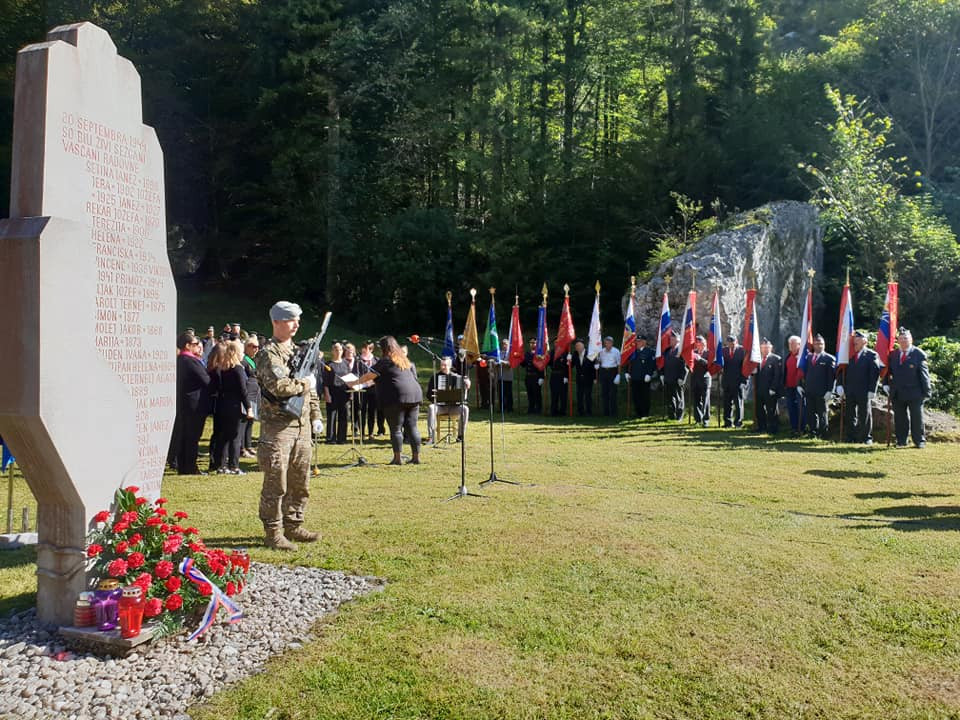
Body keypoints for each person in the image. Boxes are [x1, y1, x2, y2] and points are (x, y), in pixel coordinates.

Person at [255, 301, 323, 551]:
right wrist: (305, 383)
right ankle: (273, 532)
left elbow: (310, 390)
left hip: (302, 426)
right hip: (278, 429)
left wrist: (316, 414)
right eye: (290, 320)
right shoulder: (268, 353)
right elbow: (280, 387)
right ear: (276, 322)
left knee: (300, 480)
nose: (296, 324)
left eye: (297, 319)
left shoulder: (299, 351)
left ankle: (293, 524)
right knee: (277, 482)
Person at [356, 336, 423, 465]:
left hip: (397, 397)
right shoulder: (404, 360)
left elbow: (369, 376)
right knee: (412, 426)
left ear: (384, 348)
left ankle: (397, 459)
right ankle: (416, 457)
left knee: (396, 428)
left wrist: (354, 382)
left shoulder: (385, 361)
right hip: (414, 395)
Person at [209, 340, 252, 474]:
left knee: (223, 437)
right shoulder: (238, 369)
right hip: (234, 406)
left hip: (223, 405)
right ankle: (234, 466)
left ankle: (221, 465)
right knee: (235, 437)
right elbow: (242, 390)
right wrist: (249, 407)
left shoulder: (223, 369)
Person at [171, 332, 211, 475]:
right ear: (187, 346)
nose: (198, 347)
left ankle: (184, 466)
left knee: (186, 436)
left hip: (185, 403)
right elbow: (206, 380)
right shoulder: (190, 361)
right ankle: (190, 467)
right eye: (195, 344)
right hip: (194, 404)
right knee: (192, 437)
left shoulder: (180, 360)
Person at [885, 328, 930, 448]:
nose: (903, 341)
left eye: (906, 338)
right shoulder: (893, 355)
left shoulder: (919, 354)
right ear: (898, 341)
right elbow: (888, 371)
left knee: (917, 418)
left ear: (911, 339)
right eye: (901, 338)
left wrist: (927, 391)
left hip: (915, 392)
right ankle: (901, 440)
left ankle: (919, 441)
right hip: (897, 392)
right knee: (900, 419)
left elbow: (924, 375)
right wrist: (885, 384)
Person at [840, 330, 880, 444]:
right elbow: (842, 371)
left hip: (864, 390)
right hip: (850, 389)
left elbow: (874, 374)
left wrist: (872, 389)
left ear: (864, 341)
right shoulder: (850, 356)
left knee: (864, 414)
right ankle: (850, 437)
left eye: (858, 339)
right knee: (850, 415)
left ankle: (866, 437)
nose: (855, 342)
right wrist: (840, 385)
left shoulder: (872, 355)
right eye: (854, 340)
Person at [426, 357, 470, 443]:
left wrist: (467, 384)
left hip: (454, 406)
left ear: (450, 366)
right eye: (441, 365)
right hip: (440, 407)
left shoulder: (457, 377)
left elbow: (463, 394)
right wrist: (435, 396)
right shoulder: (435, 378)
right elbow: (428, 395)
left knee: (465, 409)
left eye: (445, 365)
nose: (442, 367)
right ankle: (431, 437)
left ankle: (460, 436)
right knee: (431, 408)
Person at [803, 334, 836, 439]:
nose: (819, 346)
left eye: (821, 343)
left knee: (822, 413)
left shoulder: (829, 358)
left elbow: (832, 377)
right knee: (811, 413)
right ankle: (813, 432)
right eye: (816, 343)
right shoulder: (808, 357)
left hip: (822, 392)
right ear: (813, 345)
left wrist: (830, 391)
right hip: (809, 390)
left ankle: (824, 434)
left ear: (824, 345)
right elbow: (804, 373)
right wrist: (802, 386)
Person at [754, 337, 783, 434]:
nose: (765, 349)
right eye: (763, 347)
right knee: (760, 409)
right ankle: (762, 427)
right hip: (760, 389)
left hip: (770, 389)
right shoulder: (757, 359)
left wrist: (773, 388)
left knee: (771, 410)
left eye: (767, 347)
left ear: (771, 348)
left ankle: (773, 428)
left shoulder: (776, 359)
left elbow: (777, 375)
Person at [358, 341, 385, 437]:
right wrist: (363, 381)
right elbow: (355, 373)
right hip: (362, 389)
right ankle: (361, 432)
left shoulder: (376, 360)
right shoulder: (358, 360)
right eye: (364, 348)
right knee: (362, 411)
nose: (365, 350)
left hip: (373, 390)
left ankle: (370, 432)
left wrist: (372, 382)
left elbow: (380, 375)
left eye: (368, 348)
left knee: (372, 411)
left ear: (371, 349)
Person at [323, 342, 349, 444]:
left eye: (340, 349)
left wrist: (351, 392)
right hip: (332, 392)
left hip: (344, 392)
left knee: (344, 415)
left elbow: (349, 377)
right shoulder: (328, 364)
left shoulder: (345, 363)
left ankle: (342, 438)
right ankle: (331, 438)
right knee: (332, 415)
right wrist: (327, 394)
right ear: (332, 351)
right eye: (336, 349)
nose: (338, 351)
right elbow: (325, 381)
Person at [660, 331, 688, 421]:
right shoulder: (667, 351)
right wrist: (662, 374)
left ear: (678, 340)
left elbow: (685, 366)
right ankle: (671, 415)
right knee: (670, 398)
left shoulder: (681, 351)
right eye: (670, 339)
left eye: (673, 339)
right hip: (668, 377)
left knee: (679, 398)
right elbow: (662, 364)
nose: (670, 341)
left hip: (677, 379)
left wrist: (682, 378)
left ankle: (679, 416)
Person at [721, 335, 747, 428]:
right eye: (729, 342)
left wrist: (744, 381)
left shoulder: (742, 351)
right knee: (727, 403)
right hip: (727, 381)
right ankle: (727, 422)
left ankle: (738, 422)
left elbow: (745, 367)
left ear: (736, 341)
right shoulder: (724, 351)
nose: (731, 344)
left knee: (738, 403)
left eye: (732, 342)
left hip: (738, 381)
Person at [241, 336, 261, 457]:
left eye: (257, 347)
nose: (256, 349)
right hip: (248, 394)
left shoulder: (253, 360)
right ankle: (242, 448)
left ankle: (248, 445)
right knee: (244, 421)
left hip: (255, 395)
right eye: (253, 347)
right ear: (247, 347)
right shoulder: (244, 360)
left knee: (250, 422)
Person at [628, 335, 656, 418]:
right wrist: (627, 372)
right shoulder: (633, 352)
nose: (637, 343)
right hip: (634, 377)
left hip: (644, 378)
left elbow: (652, 364)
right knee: (636, 396)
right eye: (637, 341)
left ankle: (645, 413)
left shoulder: (650, 352)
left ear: (644, 342)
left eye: (639, 341)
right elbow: (629, 362)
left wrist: (649, 374)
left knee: (645, 396)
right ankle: (638, 413)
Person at [783, 335, 806, 437]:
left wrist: (801, 385)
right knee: (791, 408)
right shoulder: (788, 356)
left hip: (799, 387)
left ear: (799, 345)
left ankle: (802, 429)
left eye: (793, 344)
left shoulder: (803, 357)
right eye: (790, 344)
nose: (791, 346)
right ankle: (794, 428)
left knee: (800, 408)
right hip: (789, 387)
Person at [569, 339, 595, 416]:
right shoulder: (575, 354)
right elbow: (571, 366)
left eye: (579, 345)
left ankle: (588, 412)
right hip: (579, 378)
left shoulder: (590, 353)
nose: (578, 347)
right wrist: (569, 360)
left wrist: (595, 378)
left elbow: (593, 367)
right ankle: (580, 412)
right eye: (576, 346)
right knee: (579, 395)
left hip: (588, 378)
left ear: (583, 346)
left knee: (588, 395)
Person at [597, 336, 621, 417]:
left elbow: (619, 364)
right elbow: (599, 361)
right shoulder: (601, 351)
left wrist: (618, 375)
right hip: (604, 372)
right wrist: (597, 365)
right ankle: (606, 412)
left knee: (613, 393)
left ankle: (614, 413)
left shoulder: (616, 351)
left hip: (612, 372)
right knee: (604, 393)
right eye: (606, 343)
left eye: (609, 343)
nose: (607, 344)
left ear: (612, 343)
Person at [690, 335, 711, 426]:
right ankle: (698, 419)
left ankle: (705, 420)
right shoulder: (693, 352)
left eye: (700, 343)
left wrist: (700, 359)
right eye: (697, 344)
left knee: (705, 400)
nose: (698, 345)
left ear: (704, 344)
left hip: (705, 379)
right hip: (695, 379)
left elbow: (709, 365)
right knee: (696, 400)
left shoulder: (708, 353)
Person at [521, 338, 544, 414]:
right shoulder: (527, 354)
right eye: (531, 343)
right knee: (530, 393)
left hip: (536, 376)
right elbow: (523, 364)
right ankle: (531, 409)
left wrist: (541, 377)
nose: (532, 344)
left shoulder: (539, 353)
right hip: (528, 377)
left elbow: (542, 366)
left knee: (537, 394)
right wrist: (519, 358)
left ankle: (538, 409)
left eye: (534, 343)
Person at [493, 339, 514, 412]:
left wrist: (500, 362)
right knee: (501, 393)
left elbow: (510, 364)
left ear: (508, 345)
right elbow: (496, 362)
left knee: (508, 393)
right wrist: (496, 364)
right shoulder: (500, 353)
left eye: (505, 344)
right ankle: (502, 407)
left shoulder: (511, 353)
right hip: (500, 376)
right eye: (503, 344)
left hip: (508, 376)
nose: (504, 346)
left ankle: (509, 408)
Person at [549, 352, 569, 416]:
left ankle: (563, 411)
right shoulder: (552, 353)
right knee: (554, 394)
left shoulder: (565, 354)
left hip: (562, 375)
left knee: (563, 395)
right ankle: (554, 411)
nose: (557, 344)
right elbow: (548, 363)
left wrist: (566, 376)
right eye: (555, 343)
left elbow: (568, 366)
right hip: (554, 376)